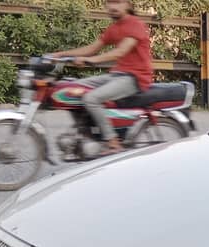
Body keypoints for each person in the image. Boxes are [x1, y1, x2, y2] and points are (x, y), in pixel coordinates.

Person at [51, 0, 152, 155]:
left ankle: (113, 142)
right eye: (109, 3)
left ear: (128, 5)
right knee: (73, 89)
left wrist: (91, 60)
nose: (112, 7)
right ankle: (85, 132)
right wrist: (61, 54)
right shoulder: (114, 28)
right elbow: (92, 48)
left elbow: (120, 52)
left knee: (91, 98)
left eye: (117, 2)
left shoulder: (135, 24)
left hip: (135, 77)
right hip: (117, 75)